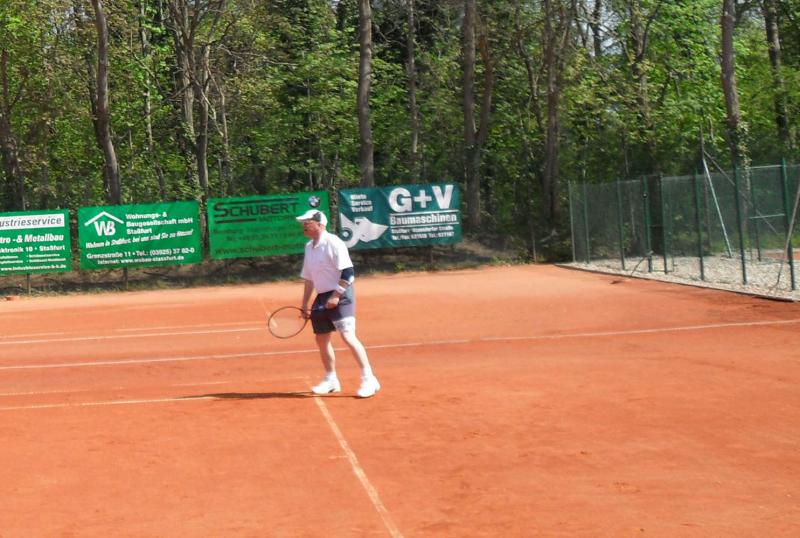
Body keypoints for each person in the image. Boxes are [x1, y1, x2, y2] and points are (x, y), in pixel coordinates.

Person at [296, 209, 380, 398]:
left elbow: (348, 273)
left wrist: (336, 296)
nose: (304, 225)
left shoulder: (334, 242)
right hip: (321, 297)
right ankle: (331, 379)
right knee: (321, 339)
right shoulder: (309, 247)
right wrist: (305, 303)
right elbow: (309, 278)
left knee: (348, 336)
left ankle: (369, 379)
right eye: (303, 222)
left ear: (320, 224)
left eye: (307, 222)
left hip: (341, 294)